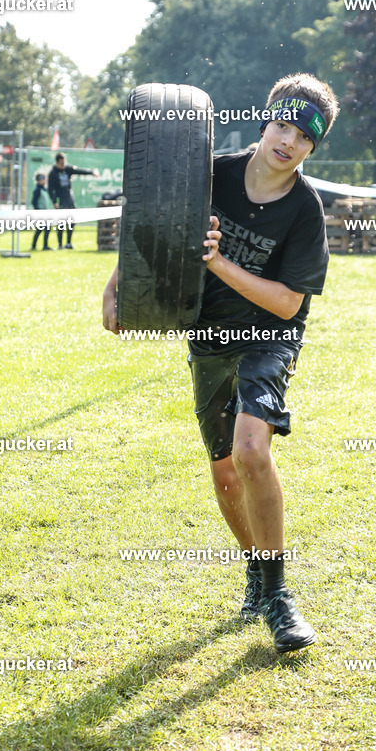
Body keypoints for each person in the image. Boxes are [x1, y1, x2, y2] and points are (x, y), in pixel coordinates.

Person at [103, 72, 339, 654]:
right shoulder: (211, 173)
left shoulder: (305, 210)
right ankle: (257, 569)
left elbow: (287, 303)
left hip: (268, 336)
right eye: (282, 125)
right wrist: (119, 285)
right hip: (209, 331)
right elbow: (153, 218)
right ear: (266, 121)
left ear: (312, 148)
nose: (288, 141)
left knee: (251, 449)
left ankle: (279, 598)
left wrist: (219, 263)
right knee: (225, 471)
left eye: (303, 137)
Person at [47, 152, 99, 249]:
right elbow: (50, 190)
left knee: (71, 221)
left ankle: (68, 243)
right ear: (57, 162)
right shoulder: (53, 173)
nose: (63, 165)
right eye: (61, 163)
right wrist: (54, 202)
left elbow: (79, 171)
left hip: (69, 199)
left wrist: (92, 172)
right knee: (61, 223)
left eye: (64, 162)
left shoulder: (67, 169)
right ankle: (60, 244)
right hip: (60, 200)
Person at [30, 173, 52, 251]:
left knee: (43, 229)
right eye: (42, 179)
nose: (44, 181)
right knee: (42, 229)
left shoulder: (44, 189)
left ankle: (38, 245)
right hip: (41, 213)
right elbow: (34, 202)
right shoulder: (38, 190)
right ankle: (41, 246)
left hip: (45, 212)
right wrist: (38, 211)